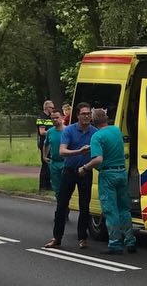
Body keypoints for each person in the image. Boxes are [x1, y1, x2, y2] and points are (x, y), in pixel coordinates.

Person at [79, 107, 135, 254]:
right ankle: (130, 240)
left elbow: (98, 159)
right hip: (121, 172)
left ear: (93, 121)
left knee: (111, 211)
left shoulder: (96, 137)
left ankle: (115, 244)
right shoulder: (116, 130)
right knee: (124, 209)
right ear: (106, 118)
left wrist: (85, 168)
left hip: (108, 175)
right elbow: (112, 146)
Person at [44, 103, 95, 250]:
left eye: (88, 114)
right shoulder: (70, 130)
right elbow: (62, 151)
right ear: (77, 115)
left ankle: (82, 238)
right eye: (83, 114)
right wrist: (79, 151)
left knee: (84, 206)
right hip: (69, 170)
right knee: (62, 204)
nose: (86, 116)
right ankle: (56, 237)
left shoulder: (94, 132)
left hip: (85, 171)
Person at [45, 109, 65, 197]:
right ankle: (59, 205)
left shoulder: (68, 130)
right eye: (53, 118)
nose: (55, 120)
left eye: (57, 117)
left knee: (66, 186)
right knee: (56, 187)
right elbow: (46, 144)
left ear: (62, 117)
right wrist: (44, 156)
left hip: (65, 162)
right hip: (54, 162)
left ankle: (65, 203)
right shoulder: (50, 132)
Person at [36, 100, 55, 191]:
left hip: (49, 143)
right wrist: (53, 132)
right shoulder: (42, 117)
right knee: (45, 164)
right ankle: (43, 186)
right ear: (47, 107)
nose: (53, 109)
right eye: (52, 107)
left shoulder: (49, 117)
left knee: (49, 164)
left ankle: (48, 185)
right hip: (44, 143)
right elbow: (42, 132)